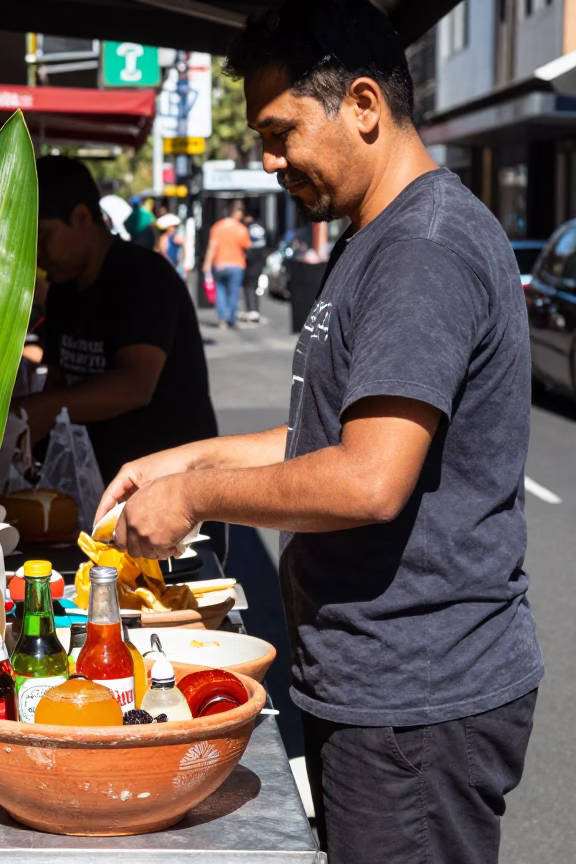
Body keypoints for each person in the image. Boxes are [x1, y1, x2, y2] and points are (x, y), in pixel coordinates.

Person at [96, 2, 542, 862]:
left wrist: (195, 495)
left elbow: (365, 480)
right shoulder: (376, 235)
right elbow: (332, 434)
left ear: (364, 105)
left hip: (418, 696)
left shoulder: (425, 250)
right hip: (373, 681)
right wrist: (188, 457)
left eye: (281, 132)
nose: (269, 162)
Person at [19, 155, 217, 486]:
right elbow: (57, 379)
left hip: (171, 487)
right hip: (99, 483)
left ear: (81, 218)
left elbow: (135, 386)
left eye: (43, 236)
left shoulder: (143, 277)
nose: (37, 253)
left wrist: (41, 408)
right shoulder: (63, 289)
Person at [202, 203, 250, 327]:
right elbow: (247, 246)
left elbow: (211, 247)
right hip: (236, 264)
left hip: (220, 264)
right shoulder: (241, 229)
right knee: (234, 292)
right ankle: (231, 318)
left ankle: (221, 317)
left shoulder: (217, 227)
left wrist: (207, 264)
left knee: (220, 291)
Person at [241, 214, 267, 323]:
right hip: (259, 262)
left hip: (250, 262)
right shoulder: (261, 228)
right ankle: (255, 310)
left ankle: (252, 310)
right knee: (255, 286)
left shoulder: (246, 229)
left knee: (249, 287)